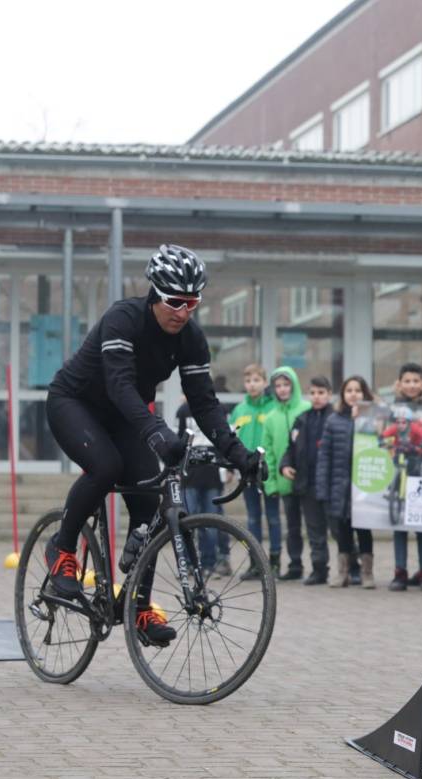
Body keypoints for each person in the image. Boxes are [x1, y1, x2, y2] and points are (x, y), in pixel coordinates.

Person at [45, 244, 257, 646]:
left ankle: (138, 607)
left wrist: (238, 453)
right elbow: (119, 385)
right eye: (175, 301)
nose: (183, 312)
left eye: (192, 302)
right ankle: (61, 549)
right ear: (155, 292)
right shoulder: (123, 318)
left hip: (124, 416)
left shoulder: (191, 337)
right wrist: (155, 430)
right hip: (74, 403)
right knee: (106, 467)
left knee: (153, 506)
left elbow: (205, 403)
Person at [385, 363, 422, 591]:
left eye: (415, 381)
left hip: (417, 462)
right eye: (406, 381)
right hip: (399, 461)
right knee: (399, 524)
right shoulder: (392, 410)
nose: (411, 385)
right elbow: (385, 432)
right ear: (399, 384)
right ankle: (400, 571)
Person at [316, 376, 377, 588]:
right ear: (342, 394)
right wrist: (323, 488)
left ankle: (367, 572)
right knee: (342, 531)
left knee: (364, 531)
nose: (353, 394)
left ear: (365, 394)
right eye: (349, 390)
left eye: (358, 390)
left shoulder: (373, 420)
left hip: (364, 487)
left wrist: (361, 419)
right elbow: (325, 456)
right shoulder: (333, 420)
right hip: (340, 487)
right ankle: (342, 572)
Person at [280, 376, 334, 585]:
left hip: (330, 483)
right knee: (314, 529)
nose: (317, 397)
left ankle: (352, 567)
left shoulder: (335, 417)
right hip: (307, 483)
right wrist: (285, 465)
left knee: (338, 529)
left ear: (329, 394)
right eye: (313, 393)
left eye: (321, 393)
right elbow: (290, 448)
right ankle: (320, 569)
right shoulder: (302, 419)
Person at [230, 363, 281, 575]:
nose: (252, 385)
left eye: (256, 380)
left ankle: (275, 562)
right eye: (248, 381)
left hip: (268, 470)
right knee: (252, 518)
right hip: (247, 470)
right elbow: (232, 438)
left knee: (273, 517)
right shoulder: (239, 410)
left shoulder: (272, 407)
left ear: (265, 382)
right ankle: (255, 563)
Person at [175, 395, 229, 576]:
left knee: (211, 524)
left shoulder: (218, 410)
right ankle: (188, 564)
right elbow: (176, 442)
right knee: (186, 522)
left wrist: (228, 468)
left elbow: (227, 440)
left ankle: (209, 564)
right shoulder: (182, 412)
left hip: (213, 476)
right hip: (188, 477)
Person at [263, 366, 307, 580]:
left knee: (319, 525)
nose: (282, 389)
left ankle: (321, 566)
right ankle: (295, 565)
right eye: (278, 386)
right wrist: (271, 483)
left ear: (294, 385)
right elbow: (269, 454)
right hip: (285, 481)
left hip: (309, 482)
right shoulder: (270, 418)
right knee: (293, 526)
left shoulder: (307, 409)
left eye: (286, 384)